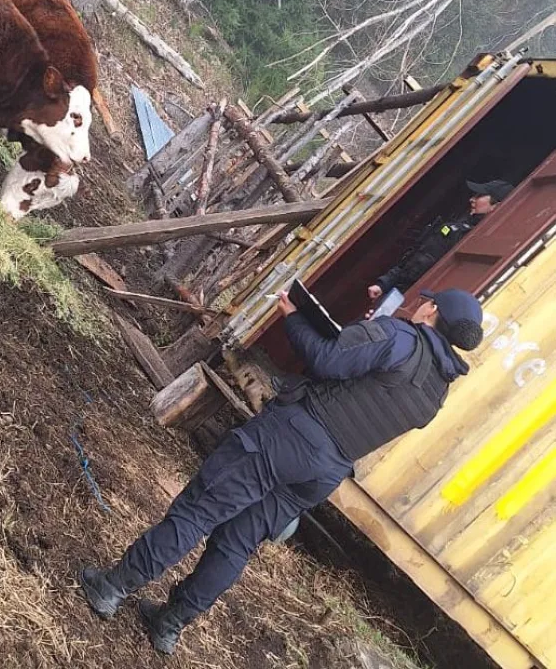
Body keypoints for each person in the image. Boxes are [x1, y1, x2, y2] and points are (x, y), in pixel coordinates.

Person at [79, 287, 484, 655]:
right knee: (239, 541)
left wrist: (292, 315)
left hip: (289, 436)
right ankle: (169, 625)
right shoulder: (436, 393)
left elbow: (328, 359)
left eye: (424, 302)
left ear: (432, 310)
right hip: (325, 472)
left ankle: (113, 587)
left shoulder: (400, 337)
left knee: (199, 510)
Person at [367, 179, 514, 302]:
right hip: (397, 294)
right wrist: (384, 283)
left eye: (480, 195)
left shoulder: (481, 241)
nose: (472, 199)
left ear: (496, 206)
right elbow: (415, 258)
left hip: (419, 302)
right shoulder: (459, 226)